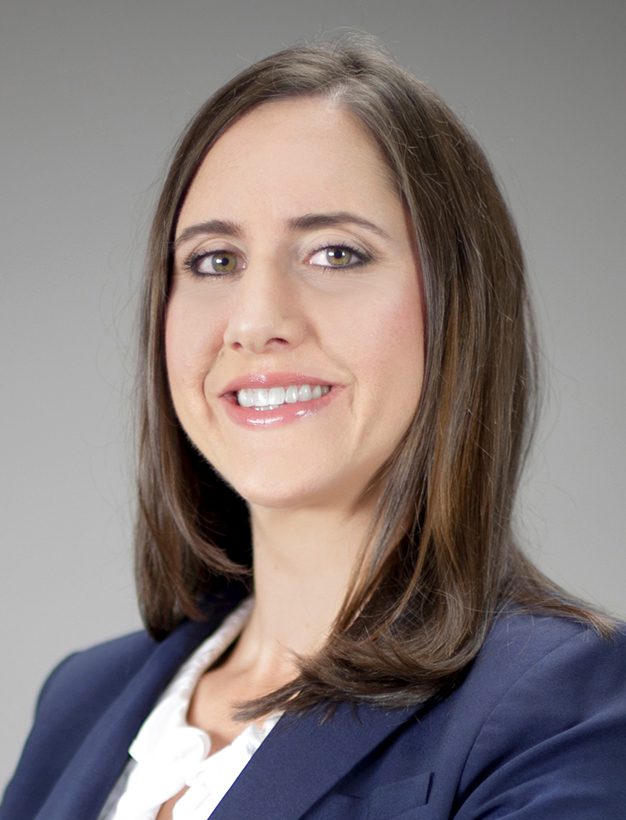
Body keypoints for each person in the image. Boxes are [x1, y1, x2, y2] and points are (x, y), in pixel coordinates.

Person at [2, 34, 625, 820]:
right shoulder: (81, 702)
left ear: (456, 308)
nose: (256, 322)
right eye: (214, 261)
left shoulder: (561, 704)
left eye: (335, 253)